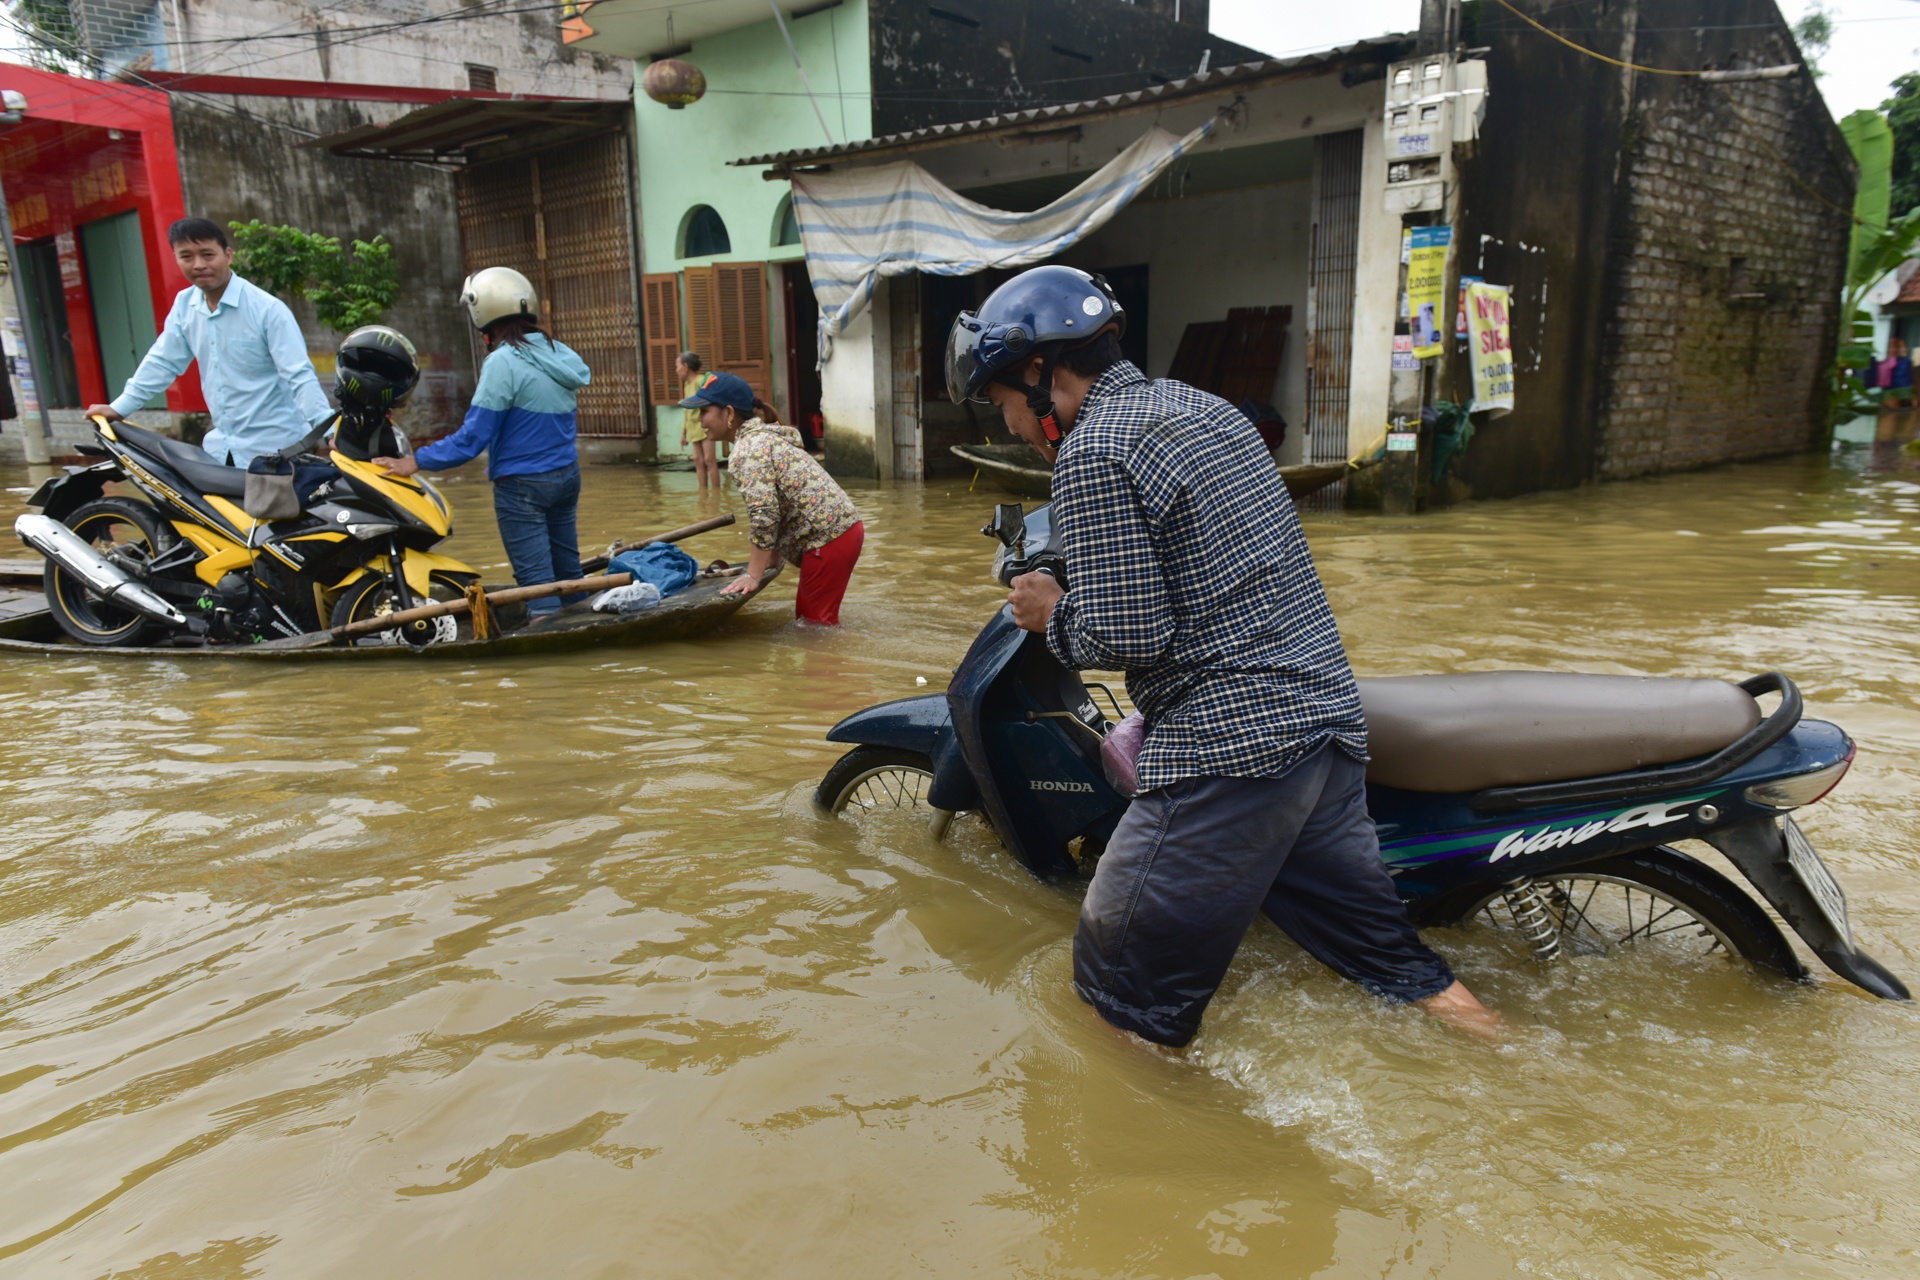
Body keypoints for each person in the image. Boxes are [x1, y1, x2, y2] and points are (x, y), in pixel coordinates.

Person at [945, 264, 1497, 1048]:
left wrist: (1052, 614)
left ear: (1040, 372)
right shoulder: (1204, 407)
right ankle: (1509, 1052)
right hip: (1325, 728)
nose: (1009, 428)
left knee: (1117, 994)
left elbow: (1130, 635)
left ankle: (1129, 1125)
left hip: (1231, 749)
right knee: (1390, 962)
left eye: (1002, 403)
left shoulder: (1093, 450)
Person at [372, 266, 591, 617]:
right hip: (567, 477)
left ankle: (549, 643)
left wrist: (414, 461)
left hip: (523, 487)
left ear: (483, 312)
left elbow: (472, 439)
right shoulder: (558, 353)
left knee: (537, 584)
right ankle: (586, 633)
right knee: (569, 575)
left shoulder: (502, 362)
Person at [87, 217, 333, 467]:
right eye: (186, 257)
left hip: (279, 450)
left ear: (228, 255)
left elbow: (299, 375)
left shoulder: (267, 310)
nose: (198, 265)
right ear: (176, 259)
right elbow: (162, 362)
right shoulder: (185, 306)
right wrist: (119, 408)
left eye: (207, 255)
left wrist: (331, 431)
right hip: (221, 450)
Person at [682, 372, 863, 625]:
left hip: (828, 538)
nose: (699, 419)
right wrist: (773, 558)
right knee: (811, 621)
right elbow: (779, 502)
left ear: (729, 413)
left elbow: (765, 514)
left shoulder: (748, 450)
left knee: (814, 628)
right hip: (841, 532)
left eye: (704, 411)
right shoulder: (763, 437)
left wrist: (753, 575)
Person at [677, 351, 722, 490]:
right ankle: (703, 493)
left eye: (678, 366)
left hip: (705, 426)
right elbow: (687, 410)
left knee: (710, 460)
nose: (677, 370)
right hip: (692, 428)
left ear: (686, 366)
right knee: (698, 460)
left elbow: (711, 401)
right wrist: (683, 433)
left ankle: (716, 494)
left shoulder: (701, 381)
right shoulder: (687, 385)